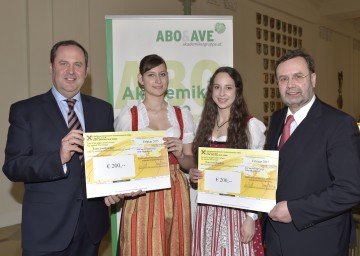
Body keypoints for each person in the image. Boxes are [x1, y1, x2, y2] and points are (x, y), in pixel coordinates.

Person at [2, 40, 114, 255]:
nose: (71, 71)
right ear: (51, 67)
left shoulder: (102, 110)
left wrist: (113, 189)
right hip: (46, 230)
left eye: (78, 64)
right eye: (63, 63)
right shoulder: (25, 111)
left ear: (87, 70)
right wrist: (58, 157)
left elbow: (106, 162)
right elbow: (13, 167)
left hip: (91, 229)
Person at [263, 49, 360, 256]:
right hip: (274, 238)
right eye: (283, 78)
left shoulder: (339, 124)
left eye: (298, 76)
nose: (291, 84)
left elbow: (351, 189)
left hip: (317, 241)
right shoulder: (277, 118)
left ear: (313, 79)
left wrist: (295, 210)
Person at [106, 54, 195, 256]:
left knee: (176, 246)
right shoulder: (130, 116)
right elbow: (118, 160)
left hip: (176, 189)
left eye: (162, 74)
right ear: (140, 79)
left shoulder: (182, 115)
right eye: (151, 74)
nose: (157, 80)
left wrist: (181, 153)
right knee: (141, 246)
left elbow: (189, 163)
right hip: (141, 191)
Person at [189, 66, 266, 256]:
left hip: (237, 212)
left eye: (228, 88)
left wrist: (251, 217)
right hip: (207, 210)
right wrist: (195, 174)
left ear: (237, 91)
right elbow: (201, 167)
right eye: (217, 87)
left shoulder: (251, 126)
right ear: (211, 91)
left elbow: (260, 177)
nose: (222, 93)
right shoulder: (204, 123)